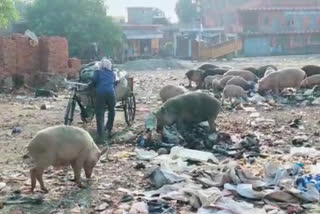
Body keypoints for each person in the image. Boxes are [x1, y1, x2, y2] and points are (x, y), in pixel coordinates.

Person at [90, 58, 116, 143]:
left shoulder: (98, 72)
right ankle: (109, 129)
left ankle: (101, 134)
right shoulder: (112, 73)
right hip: (111, 94)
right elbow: (114, 82)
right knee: (111, 111)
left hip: (101, 93)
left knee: (100, 113)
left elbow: (93, 81)